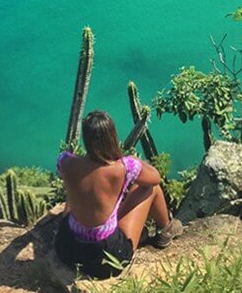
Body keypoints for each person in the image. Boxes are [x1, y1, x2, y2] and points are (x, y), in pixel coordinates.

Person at [54, 110, 183, 279]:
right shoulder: (124, 167)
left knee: (74, 189)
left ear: (86, 138)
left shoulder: (65, 161)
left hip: (67, 248)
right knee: (151, 189)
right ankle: (166, 229)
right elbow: (155, 178)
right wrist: (129, 160)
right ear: (112, 136)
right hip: (105, 258)